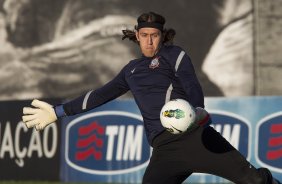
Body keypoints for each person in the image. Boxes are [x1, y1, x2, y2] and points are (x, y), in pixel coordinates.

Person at [22, 12, 280, 184]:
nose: (149, 40)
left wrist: (198, 110)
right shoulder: (130, 70)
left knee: (255, 181)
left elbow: (191, 84)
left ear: (161, 35)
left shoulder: (174, 55)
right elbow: (99, 95)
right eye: (144, 35)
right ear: (136, 36)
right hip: (164, 149)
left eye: (154, 35)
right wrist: (57, 112)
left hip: (195, 137)